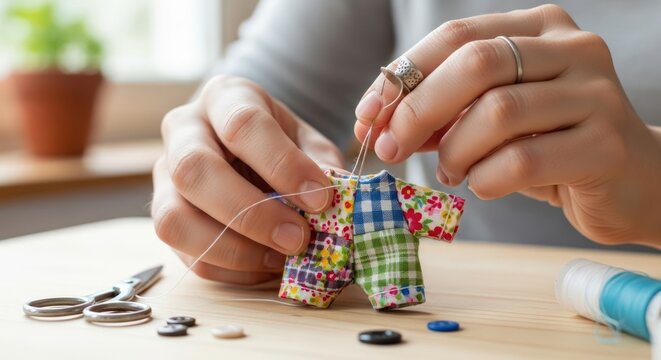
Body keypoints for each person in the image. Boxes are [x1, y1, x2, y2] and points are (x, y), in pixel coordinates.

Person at [151, 1, 661, 285]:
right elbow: (252, 99)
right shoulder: (374, 201)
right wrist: (214, 149)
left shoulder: (386, 204)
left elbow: (436, 212)